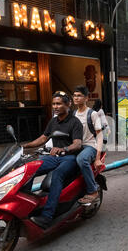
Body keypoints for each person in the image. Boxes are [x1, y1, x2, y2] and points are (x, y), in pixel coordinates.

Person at [22, 91, 83, 229]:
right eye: (54, 104)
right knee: (29, 168)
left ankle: (47, 216)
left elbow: (77, 144)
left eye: (59, 104)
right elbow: (44, 138)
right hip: (54, 157)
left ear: (68, 104)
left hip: (69, 158)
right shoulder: (53, 121)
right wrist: (26, 146)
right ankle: (26, 204)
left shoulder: (75, 122)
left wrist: (64, 149)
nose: (55, 107)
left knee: (57, 176)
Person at [72, 86, 105, 205]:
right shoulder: (73, 114)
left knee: (81, 159)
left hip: (89, 146)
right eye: (75, 95)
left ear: (86, 98)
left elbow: (99, 136)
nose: (76, 98)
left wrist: (97, 158)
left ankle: (93, 191)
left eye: (79, 95)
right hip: (76, 146)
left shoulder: (92, 114)